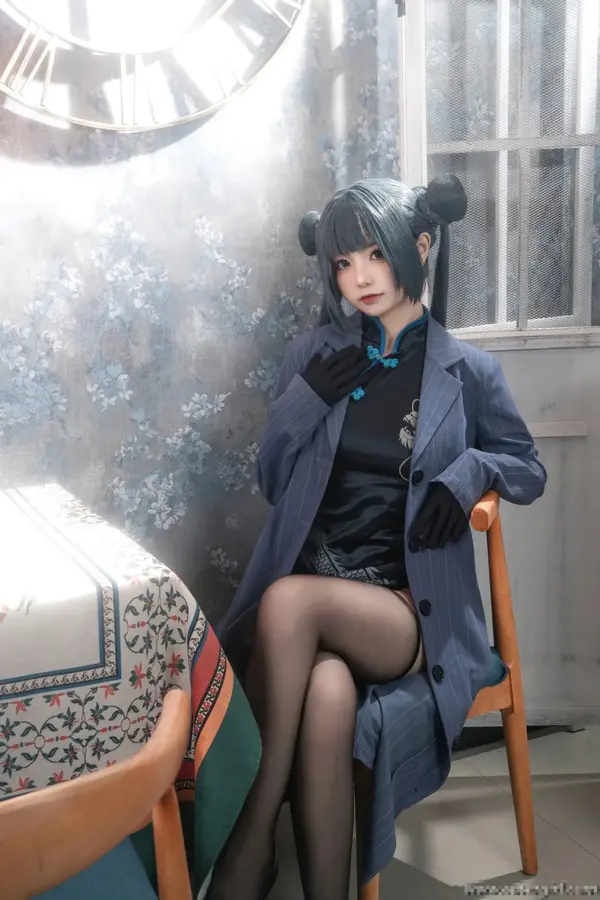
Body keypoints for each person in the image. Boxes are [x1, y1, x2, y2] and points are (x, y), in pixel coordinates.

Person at [211, 175, 547, 900]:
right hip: (320, 606)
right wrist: (309, 398)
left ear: (419, 246)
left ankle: (251, 837)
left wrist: (471, 470)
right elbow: (272, 478)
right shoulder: (316, 356)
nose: (359, 277)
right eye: (342, 262)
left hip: (404, 609)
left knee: (287, 601)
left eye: (374, 254)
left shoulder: (468, 370)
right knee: (329, 694)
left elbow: (528, 468)